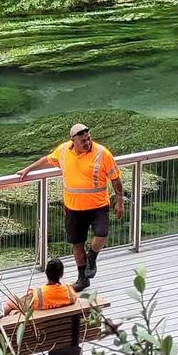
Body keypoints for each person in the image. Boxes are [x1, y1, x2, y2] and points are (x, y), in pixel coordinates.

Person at [17, 123, 124, 292]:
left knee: (101, 234)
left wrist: (120, 202)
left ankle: (92, 256)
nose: (87, 142)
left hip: (98, 205)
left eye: (88, 139)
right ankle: (82, 279)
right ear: (73, 141)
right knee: (77, 243)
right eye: (83, 140)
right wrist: (28, 169)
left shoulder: (102, 153)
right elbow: (48, 159)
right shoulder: (64, 151)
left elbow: (116, 179)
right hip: (73, 207)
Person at [3, 258, 76, 316]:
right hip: (63, 327)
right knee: (13, 311)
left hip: (39, 326)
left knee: (10, 302)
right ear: (62, 274)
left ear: (46, 273)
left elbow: (19, 305)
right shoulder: (70, 292)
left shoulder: (37, 295)